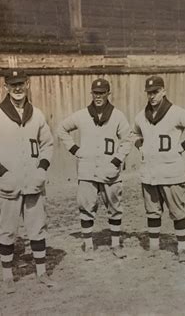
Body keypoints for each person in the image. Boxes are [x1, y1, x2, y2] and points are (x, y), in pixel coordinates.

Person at [0, 69, 54, 293]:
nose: (17, 88)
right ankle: (8, 276)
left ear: (27, 84)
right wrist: (2, 171)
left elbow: (47, 144)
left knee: (37, 228)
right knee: (7, 230)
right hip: (8, 185)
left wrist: (42, 168)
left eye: (21, 84)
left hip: (33, 183)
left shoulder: (36, 114)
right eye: (13, 85)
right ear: (5, 87)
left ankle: (42, 272)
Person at [132, 75, 185, 262]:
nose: (152, 96)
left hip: (171, 171)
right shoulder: (141, 116)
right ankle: (154, 247)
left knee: (177, 211)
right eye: (149, 93)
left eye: (156, 92)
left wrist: (183, 146)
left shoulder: (175, 112)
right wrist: (139, 145)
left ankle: (181, 248)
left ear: (163, 91)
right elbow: (133, 133)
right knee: (152, 211)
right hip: (149, 172)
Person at [57, 78, 132, 260]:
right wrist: (75, 149)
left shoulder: (117, 116)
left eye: (102, 93)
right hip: (87, 170)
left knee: (115, 206)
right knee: (86, 206)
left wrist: (117, 159)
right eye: (95, 93)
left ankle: (115, 244)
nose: (98, 97)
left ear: (108, 94)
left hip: (109, 170)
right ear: (92, 94)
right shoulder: (82, 115)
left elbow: (127, 139)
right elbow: (61, 129)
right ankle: (88, 245)